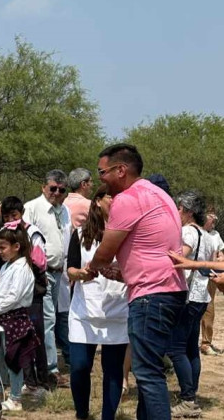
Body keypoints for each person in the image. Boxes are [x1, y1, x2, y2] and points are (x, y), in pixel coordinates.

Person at [87, 143, 187, 420]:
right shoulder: (160, 195)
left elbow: (105, 251)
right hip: (171, 289)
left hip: (151, 295)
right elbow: (151, 248)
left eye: (102, 172)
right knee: (149, 371)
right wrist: (123, 271)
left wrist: (92, 268)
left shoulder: (128, 199)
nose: (101, 180)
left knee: (147, 373)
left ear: (121, 170)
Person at [66, 185, 128, 420]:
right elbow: (70, 269)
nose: (117, 202)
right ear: (98, 201)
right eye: (113, 197)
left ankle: (107, 417)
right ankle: (82, 414)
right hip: (84, 312)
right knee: (80, 366)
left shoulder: (128, 234)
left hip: (117, 310)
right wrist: (80, 274)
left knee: (113, 371)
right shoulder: (81, 234)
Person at [0, 196, 51, 395]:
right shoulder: (6, 257)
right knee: (3, 352)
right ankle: (6, 387)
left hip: (28, 299)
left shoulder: (32, 235)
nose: (10, 219)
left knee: (28, 345)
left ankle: (36, 383)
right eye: (6, 216)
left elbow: (37, 266)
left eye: (14, 215)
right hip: (3, 313)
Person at [166, 191, 216, 418]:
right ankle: (191, 394)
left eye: (178, 208)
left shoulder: (187, 231)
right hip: (201, 296)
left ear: (187, 210)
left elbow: (181, 260)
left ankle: (187, 399)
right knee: (190, 348)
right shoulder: (206, 234)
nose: (176, 212)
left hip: (186, 297)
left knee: (176, 349)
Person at [23, 169, 72, 385]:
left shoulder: (65, 210)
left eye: (62, 190)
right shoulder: (32, 208)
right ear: (44, 187)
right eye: (53, 188)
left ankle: (44, 364)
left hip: (59, 272)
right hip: (40, 273)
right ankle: (50, 368)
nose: (57, 193)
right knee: (48, 320)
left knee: (50, 319)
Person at [0, 222, 39, 412]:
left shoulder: (23, 268)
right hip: (1, 318)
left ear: (17, 247)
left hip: (15, 319)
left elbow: (15, 297)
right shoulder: (7, 265)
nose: (0, 251)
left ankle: (15, 398)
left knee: (13, 359)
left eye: (3, 247)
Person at [200, 209, 224, 356]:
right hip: (195, 275)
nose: (214, 221)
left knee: (209, 309)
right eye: (211, 218)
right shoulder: (195, 232)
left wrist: (221, 257)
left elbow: (220, 252)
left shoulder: (215, 235)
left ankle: (206, 342)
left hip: (211, 276)